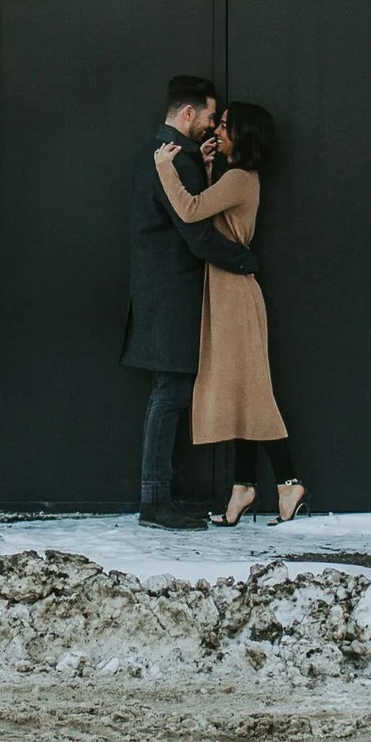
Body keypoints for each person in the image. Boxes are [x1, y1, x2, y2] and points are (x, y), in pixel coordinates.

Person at [153, 101, 304, 526]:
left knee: (252, 392)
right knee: (239, 391)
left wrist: (165, 167)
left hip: (234, 295)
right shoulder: (235, 177)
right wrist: (204, 170)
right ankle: (242, 488)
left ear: (243, 135)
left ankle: (289, 481)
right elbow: (209, 207)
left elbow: (190, 210)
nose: (217, 130)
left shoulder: (240, 178)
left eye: (224, 126)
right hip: (225, 291)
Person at [123, 75, 258, 530]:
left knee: (171, 393)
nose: (211, 125)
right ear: (188, 113)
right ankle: (154, 501)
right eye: (207, 115)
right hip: (173, 296)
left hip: (161, 292)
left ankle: (159, 497)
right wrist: (245, 259)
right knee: (170, 395)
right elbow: (197, 235)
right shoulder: (174, 161)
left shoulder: (163, 155)